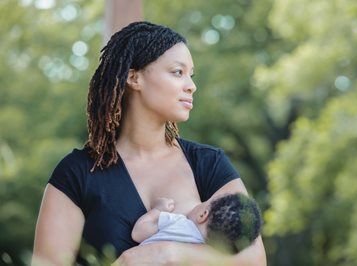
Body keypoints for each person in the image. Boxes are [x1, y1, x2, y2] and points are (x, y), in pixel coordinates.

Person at [33, 21, 266, 265]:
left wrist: (167, 253)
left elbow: (254, 259)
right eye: (178, 72)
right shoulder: (75, 174)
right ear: (134, 77)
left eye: (191, 75)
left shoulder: (209, 163)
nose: (191, 85)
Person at [132, 193, 262, 254]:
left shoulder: (179, 223)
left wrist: (158, 209)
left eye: (206, 201)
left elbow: (138, 233)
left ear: (203, 215)